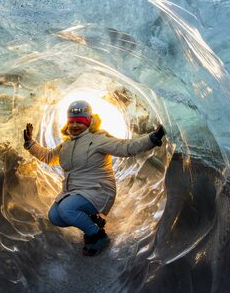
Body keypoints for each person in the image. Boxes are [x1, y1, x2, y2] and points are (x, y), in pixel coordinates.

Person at [23, 99, 165, 255]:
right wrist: (31, 143)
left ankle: (98, 236)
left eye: (81, 121)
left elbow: (125, 147)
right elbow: (49, 157)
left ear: (89, 122)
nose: (75, 125)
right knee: (54, 216)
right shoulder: (66, 144)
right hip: (75, 192)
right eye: (72, 122)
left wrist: (152, 138)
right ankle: (93, 220)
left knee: (66, 209)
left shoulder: (98, 139)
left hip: (99, 190)